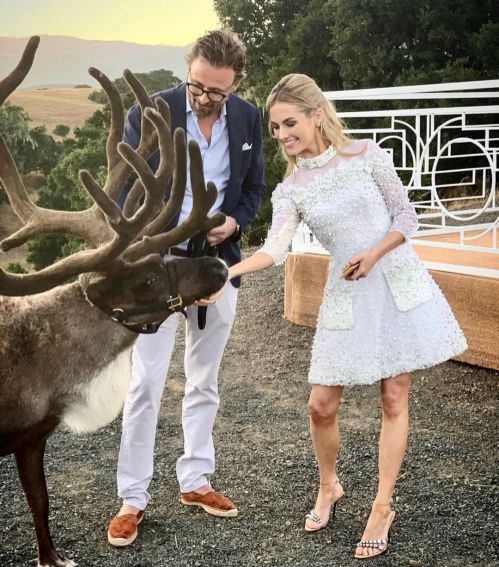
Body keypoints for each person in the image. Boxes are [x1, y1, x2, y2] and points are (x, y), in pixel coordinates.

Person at [227, 74, 467, 559]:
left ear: (316, 115)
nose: (282, 135)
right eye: (274, 128)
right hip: (346, 291)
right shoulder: (291, 189)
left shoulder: (367, 155)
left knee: (393, 396)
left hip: (394, 280)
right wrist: (225, 273)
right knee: (320, 404)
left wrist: (375, 253)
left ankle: (382, 506)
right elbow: (274, 249)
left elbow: (406, 216)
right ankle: (329, 485)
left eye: (289, 123)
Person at [107, 29, 265, 547]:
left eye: (216, 91)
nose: (203, 98)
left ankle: (195, 479)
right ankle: (132, 497)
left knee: (205, 379)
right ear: (188, 70)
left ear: (234, 84)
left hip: (216, 265)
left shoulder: (248, 118)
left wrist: (235, 223)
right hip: (156, 266)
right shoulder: (151, 112)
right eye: (197, 86)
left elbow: (254, 188)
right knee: (145, 383)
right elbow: (125, 189)